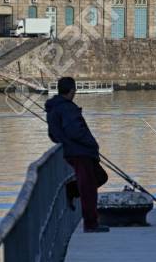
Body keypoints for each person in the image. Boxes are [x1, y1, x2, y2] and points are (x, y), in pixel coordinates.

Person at [46, 76, 109, 232]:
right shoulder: (67, 108)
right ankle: (91, 224)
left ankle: (72, 189)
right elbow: (75, 131)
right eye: (75, 90)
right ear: (72, 90)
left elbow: (53, 135)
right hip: (81, 153)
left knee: (100, 177)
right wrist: (91, 143)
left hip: (74, 152)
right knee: (88, 189)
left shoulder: (54, 108)